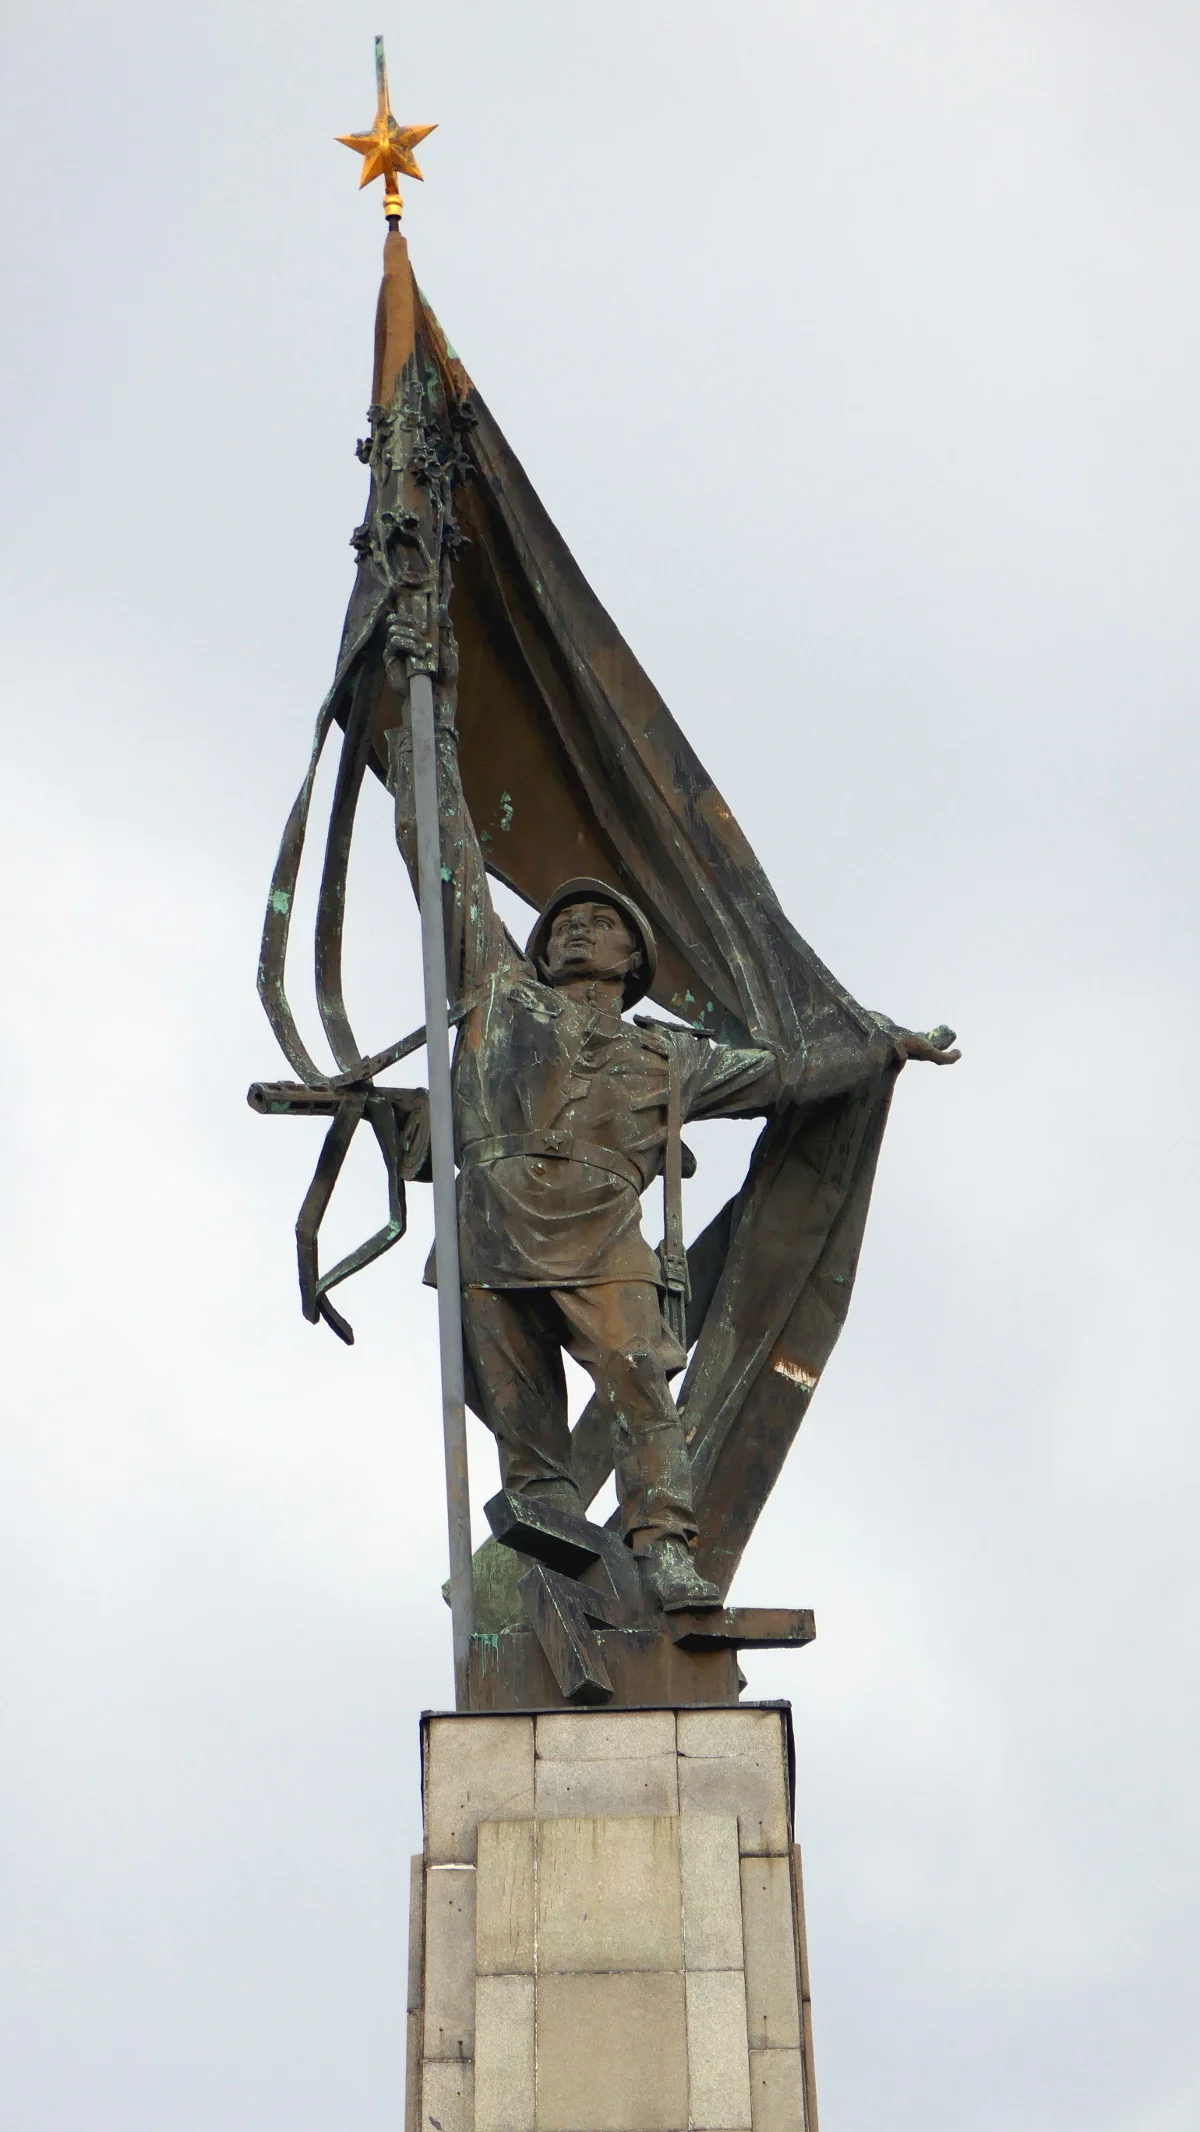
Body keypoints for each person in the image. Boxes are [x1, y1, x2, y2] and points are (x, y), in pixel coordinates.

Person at [386, 621, 958, 1609]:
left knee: (642, 1378)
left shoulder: (668, 1053)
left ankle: (663, 1545)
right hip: (490, 1218)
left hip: (602, 1227)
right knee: (518, 1411)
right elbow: (448, 860)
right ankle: (542, 1535)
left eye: (599, 922)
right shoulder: (499, 997)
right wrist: (425, 733)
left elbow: (783, 1072)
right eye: (564, 921)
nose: (576, 928)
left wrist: (878, 1043)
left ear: (633, 961)